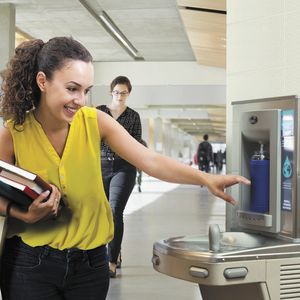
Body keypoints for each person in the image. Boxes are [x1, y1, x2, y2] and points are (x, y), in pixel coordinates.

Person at [0, 36, 250, 300]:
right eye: (72, 88)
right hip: (29, 264)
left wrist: (205, 178)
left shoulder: (95, 121)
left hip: (90, 265)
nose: (81, 100)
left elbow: (149, 160)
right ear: (42, 81)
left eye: (86, 90)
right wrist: (21, 214)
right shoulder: (13, 133)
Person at [96, 76, 142, 278]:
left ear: (128, 93)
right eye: (116, 92)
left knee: (115, 211)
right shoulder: (99, 112)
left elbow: (136, 144)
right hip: (100, 165)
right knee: (101, 212)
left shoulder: (133, 116)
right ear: (111, 92)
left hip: (124, 167)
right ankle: (113, 250)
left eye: (123, 92)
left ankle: (111, 260)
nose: (120, 96)